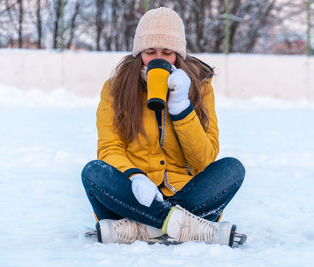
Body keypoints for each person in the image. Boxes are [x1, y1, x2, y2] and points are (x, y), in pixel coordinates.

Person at [81, 7, 246, 247]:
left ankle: (138, 229)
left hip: (186, 196)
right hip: (134, 196)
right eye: (150, 52)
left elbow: (204, 160)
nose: (158, 58)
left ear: (178, 55)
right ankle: (189, 228)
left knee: (232, 169)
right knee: (93, 171)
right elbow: (109, 147)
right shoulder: (115, 88)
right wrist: (135, 177)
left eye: (167, 52)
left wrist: (182, 108)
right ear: (139, 53)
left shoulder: (200, 87)